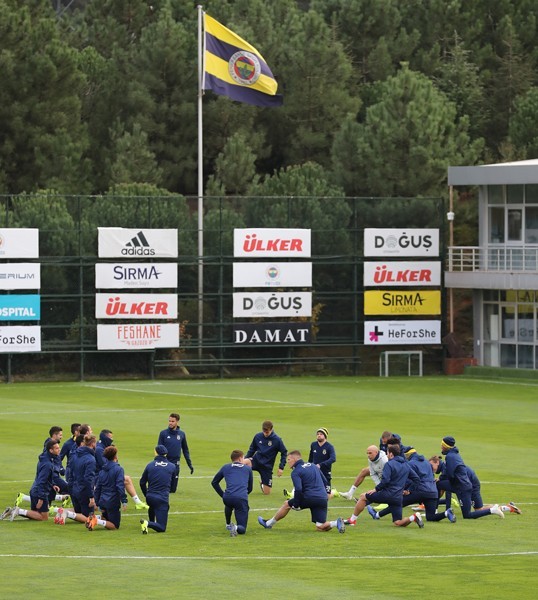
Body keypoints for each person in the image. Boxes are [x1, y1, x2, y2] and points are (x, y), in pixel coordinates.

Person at [257, 450, 345, 533]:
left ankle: (268, 524)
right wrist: (326, 495)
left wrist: (296, 504)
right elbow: (326, 481)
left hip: (309, 497)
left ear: (295, 459)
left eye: (289, 459)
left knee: (287, 504)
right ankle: (336, 523)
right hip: (322, 498)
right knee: (320, 526)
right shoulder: (313, 466)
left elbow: (298, 489)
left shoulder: (296, 471)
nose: (288, 462)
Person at [344, 444, 424, 528]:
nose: (387, 455)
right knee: (398, 522)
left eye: (387, 453)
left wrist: (376, 489)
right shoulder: (406, 465)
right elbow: (417, 479)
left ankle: (352, 520)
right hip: (398, 497)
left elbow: (385, 481)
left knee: (363, 497)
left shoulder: (389, 464)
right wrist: (409, 490)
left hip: (388, 494)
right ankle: (413, 517)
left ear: (391, 454)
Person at [368, 447, 456, 523]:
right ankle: (446, 513)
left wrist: (407, 490)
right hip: (432, 491)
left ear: (407, 455)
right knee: (431, 517)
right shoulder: (426, 462)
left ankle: (377, 515)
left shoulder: (410, 463)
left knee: (398, 502)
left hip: (420, 490)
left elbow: (410, 480)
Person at [429, 454, 521, 515]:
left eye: (431, 465)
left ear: (437, 462)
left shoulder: (446, 467)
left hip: (471, 484)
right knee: (479, 509)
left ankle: (433, 509)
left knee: (477, 510)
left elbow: (443, 484)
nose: (431, 468)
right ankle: (508, 507)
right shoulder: (445, 467)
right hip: (471, 482)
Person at [440, 436, 504, 520]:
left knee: (468, 515)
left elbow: (451, 474)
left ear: (446, 446)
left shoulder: (450, 457)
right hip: (466, 485)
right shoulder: (454, 454)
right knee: (477, 510)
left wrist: (451, 485)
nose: (441, 446)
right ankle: (500, 508)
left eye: (442, 444)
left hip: (463, 486)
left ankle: (493, 510)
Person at [1, 440, 61, 522]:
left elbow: (44, 477)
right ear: (51, 450)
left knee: (35, 514)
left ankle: (12, 511)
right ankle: (18, 511)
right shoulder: (48, 464)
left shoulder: (45, 458)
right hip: (39, 492)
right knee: (43, 517)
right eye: (57, 448)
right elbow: (41, 481)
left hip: (35, 490)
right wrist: (41, 498)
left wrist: (53, 484)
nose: (59, 449)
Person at [212, 449, 253, 536]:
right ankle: (235, 527)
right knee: (242, 529)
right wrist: (242, 495)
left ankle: (228, 524)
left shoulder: (225, 467)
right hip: (241, 498)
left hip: (227, 498)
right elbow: (250, 488)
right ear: (240, 459)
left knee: (229, 504)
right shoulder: (247, 469)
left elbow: (214, 482)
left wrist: (223, 495)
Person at [88, 445, 127, 530]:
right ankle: (96, 520)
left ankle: (95, 519)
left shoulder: (102, 471)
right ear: (115, 456)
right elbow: (120, 486)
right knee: (114, 526)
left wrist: (97, 502)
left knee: (106, 519)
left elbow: (98, 487)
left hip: (103, 501)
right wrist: (124, 500)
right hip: (112, 501)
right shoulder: (119, 469)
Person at [139, 445, 177, 534]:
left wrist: (146, 494)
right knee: (162, 527)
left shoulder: (150, 465)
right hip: (162, 498)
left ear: (156, 453)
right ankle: (147, 523)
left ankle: (150, 523)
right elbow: (173, 485)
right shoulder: (172, 466)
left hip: (150, 496)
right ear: (166, 454)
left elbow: (142, 482)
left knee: (152, 506)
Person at [244, 420, 287, 495]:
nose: (265, 434)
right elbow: (252, 449)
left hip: (267, 466)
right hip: (256, 461)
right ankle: (240, 487)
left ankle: (262, 483)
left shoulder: (277, 440)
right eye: (264, 432)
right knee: (242, 464)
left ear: (271, 429)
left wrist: (281, 467)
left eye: (267, 432)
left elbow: (284, 452)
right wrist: (245, 458)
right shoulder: (258, 436)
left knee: (266, 493)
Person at [157, 413, 194, 493]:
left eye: (172, 421)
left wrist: (189, 464)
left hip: (175, 464)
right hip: (165, 462)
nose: (170, 423)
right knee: (164, 488)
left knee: (173, 490)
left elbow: (185, 450)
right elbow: (158, 449)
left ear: (177, 422)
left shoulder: (181, 434)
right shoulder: (163, 433)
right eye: (169, 421)